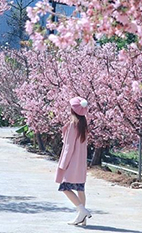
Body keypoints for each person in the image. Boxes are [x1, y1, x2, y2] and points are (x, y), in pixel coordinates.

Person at [55, 96, 92, 226]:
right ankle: (82, 219)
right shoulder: (83, 126)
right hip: (81, 163)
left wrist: (63, 164)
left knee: (65, 187)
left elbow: (69, 147)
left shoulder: (73, 125)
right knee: (80, 189)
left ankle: (82, 211)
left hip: (72, 162)